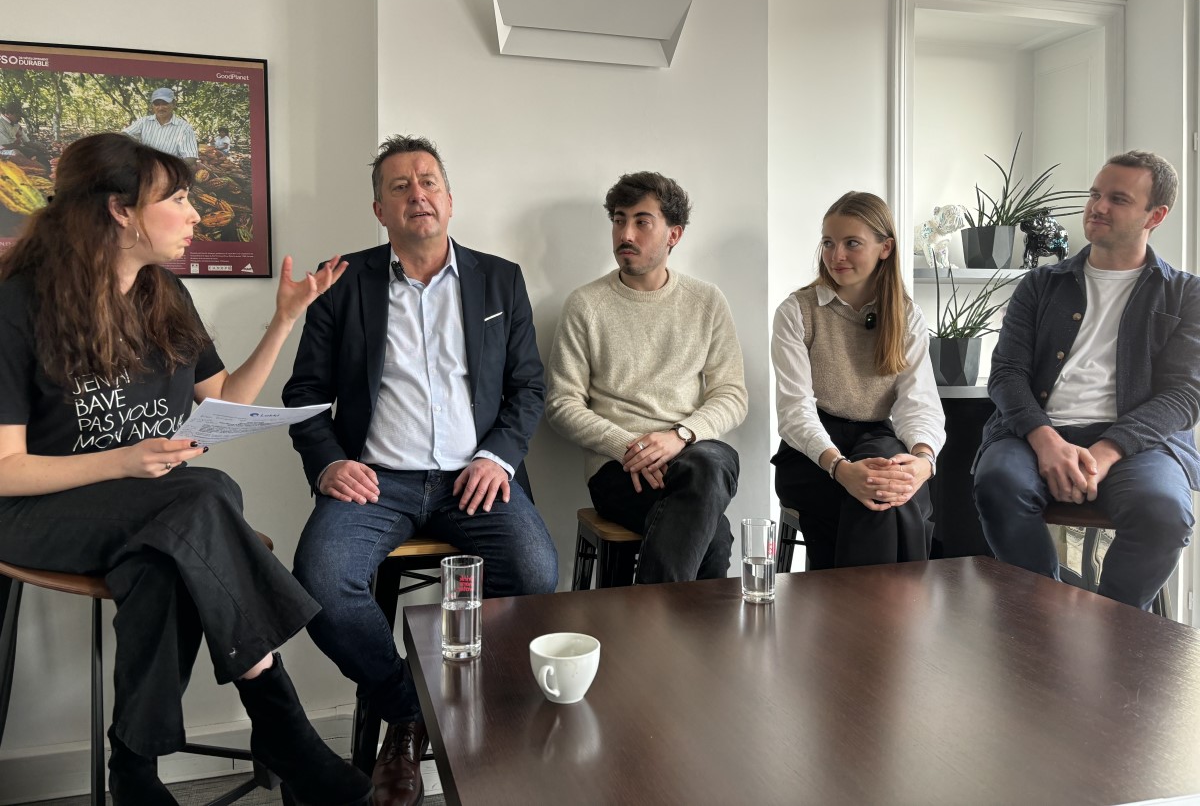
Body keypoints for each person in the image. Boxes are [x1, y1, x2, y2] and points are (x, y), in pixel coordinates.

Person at [0, 133, 370, 805]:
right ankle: (282, 724)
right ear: (119, 210)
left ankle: (134, 770)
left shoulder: (162, 292)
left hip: (153, 513)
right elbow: (5, 471)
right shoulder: (19, 305)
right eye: (176, 198)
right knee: (209, 492)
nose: (196, 213)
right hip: (33, 513)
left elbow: (226, 401)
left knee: (168, 554)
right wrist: (123, 459)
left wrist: (283, 321)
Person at [283, 134, 558, 806]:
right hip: (377, 480)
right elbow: (304, 396)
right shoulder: (342, 279)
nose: (417, 194)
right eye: (400, 186)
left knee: (537, 574)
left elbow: (529, 388)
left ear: (450, 198)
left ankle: (482, 716)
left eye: (428, 181)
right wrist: (329, 465)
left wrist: (498, 456)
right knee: (318, 580)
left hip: (477, 478)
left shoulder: (501, 279)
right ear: (380, 209)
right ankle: (406, 712)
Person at [974, 151, 1199, 611]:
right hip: (1036, 429)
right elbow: (1007, 373)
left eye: (1118, 199)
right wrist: (1045, 440)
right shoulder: (1040, 284)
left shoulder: (1186, 294)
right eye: (1096, 194)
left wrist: (1107, 450)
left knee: (1163, 511)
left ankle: (1115, 630)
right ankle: (1041, 619)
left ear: (1155, 215)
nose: (1097, 207)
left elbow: (1184, 395)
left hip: (1141, 444)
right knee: (997, 482)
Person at [545, 171, 747, 584]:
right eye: (619, 220)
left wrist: (680, 436)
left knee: (711, 466)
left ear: (674, 234)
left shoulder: (706, 301)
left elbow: (732, 394)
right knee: (716, 535)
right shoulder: (586, 304)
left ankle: (648, 630)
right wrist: (629, 448)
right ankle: (684, 642)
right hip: (619, 468)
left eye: (641, 221)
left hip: (692, 453)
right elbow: (561, 404)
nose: (626, 233)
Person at [771, 191, 945, 570]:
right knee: (881, 500)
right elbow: (794, 411)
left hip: (876, 439)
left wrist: (921, 462)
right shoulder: (796, 312)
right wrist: (840, 469)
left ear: (885, 248)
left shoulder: (905, 316)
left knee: (886, 487)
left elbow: (920, 404)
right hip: (811, 454)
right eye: (829, 243)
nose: (836, 256)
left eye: (852, 243)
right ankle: (894, 619)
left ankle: (855, 620)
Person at [123, 87, 199, 166]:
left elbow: (191, 157)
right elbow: (124, 134)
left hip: (169, 172)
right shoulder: (144, 122)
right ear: (152, 106)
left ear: (174, 104)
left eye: (165, 103)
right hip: (144, 169)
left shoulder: (184, 128)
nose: (160, 108)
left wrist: (171, 169)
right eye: (157, 104)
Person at [0, 101, 52, 172]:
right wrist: (27, 150)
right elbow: (6, 145)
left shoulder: (16, 125)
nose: (19, 119)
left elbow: (26, 141)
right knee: (16, 153)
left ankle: (47, 169)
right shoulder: (1, 124)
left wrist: (37, 146)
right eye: (17, 116)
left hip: (16, 147)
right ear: (8, 113)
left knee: (37, 152)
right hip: (3, 150)